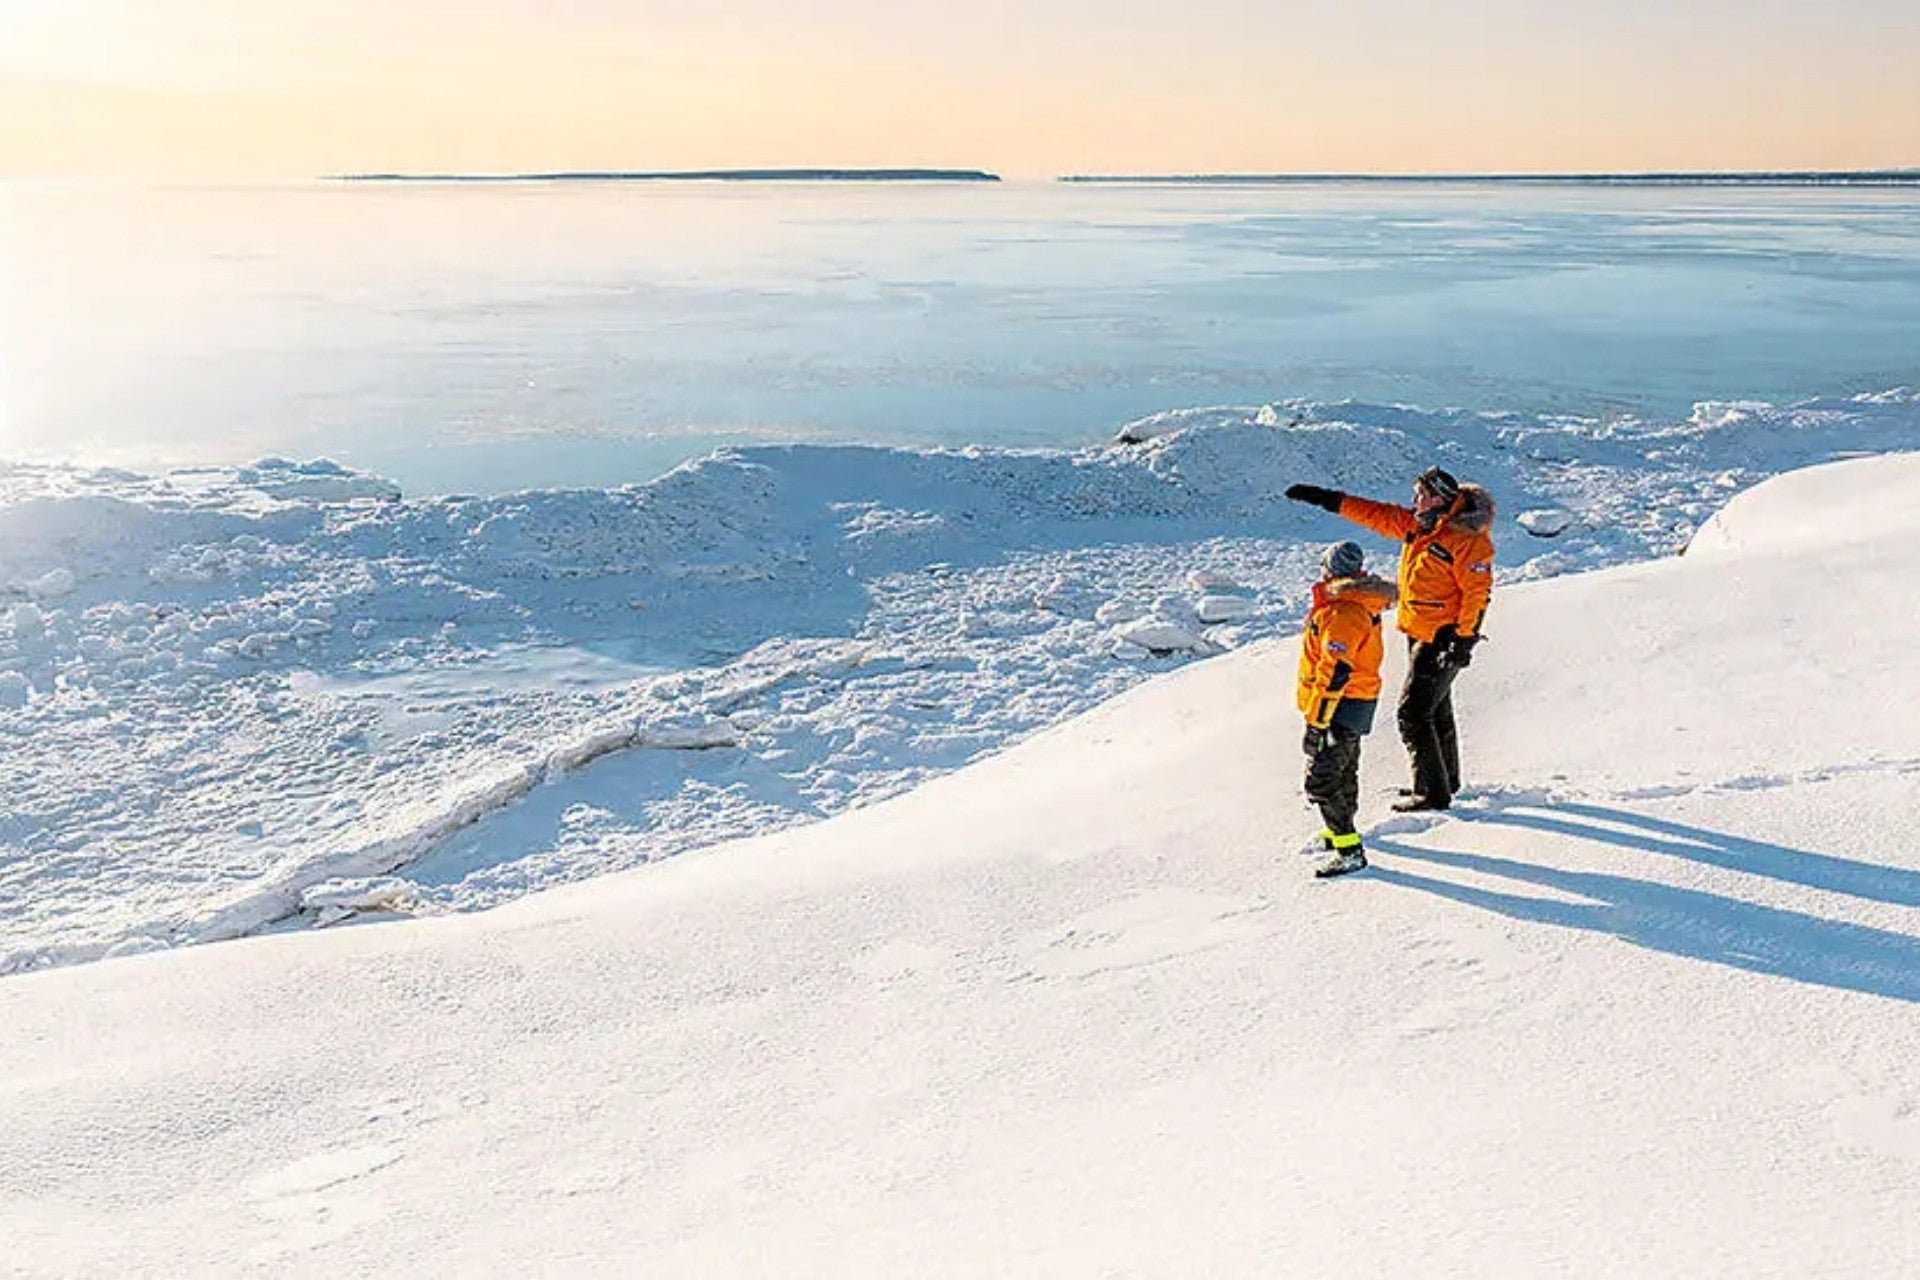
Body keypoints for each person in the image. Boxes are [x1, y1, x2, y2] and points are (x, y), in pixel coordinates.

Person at [1285, 466, 1495, 813]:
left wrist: (1463, 640)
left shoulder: (1468, 540)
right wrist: (1328, 499)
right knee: (1436, 708)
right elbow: (1374, 514)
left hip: (1443, 636)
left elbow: (1477, 593)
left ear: (1440, 498)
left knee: (1412, 714)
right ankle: (1444, 781)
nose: (1414, 501)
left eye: (1421, 495)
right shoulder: (1418, 526)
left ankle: (1432, 794)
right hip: (1419, 630)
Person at [1297, 540, 1397, 878]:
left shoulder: (1343, 611)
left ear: (1330, 569)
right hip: (1353, 701)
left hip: (1338, 704)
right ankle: (1340, 829)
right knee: (1345, 768)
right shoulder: (1354, 602)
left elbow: (1335, 671)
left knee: (1321, 780)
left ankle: (1349, 849)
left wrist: (1317, 722)